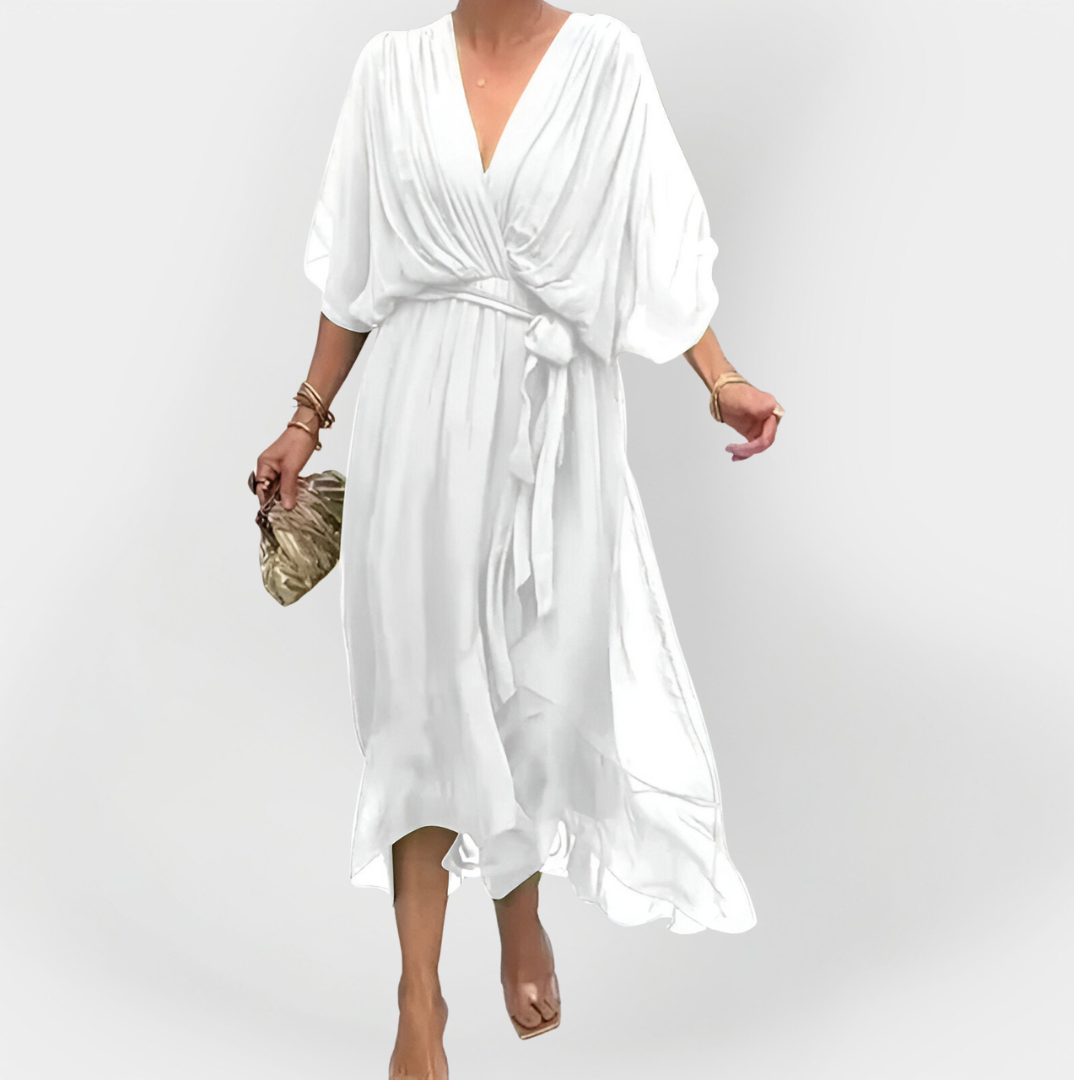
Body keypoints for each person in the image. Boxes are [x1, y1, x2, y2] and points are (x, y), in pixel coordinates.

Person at [253, 3, 782, 1076]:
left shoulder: (606, 61)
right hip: (417, 407)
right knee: (419, 696)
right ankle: (417, 995)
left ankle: (517, 899)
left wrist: (720, 377)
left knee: (533, 684)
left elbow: (650, 235)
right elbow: (353, 272)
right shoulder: (389, 71)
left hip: (553, 422)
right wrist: (305, 420)